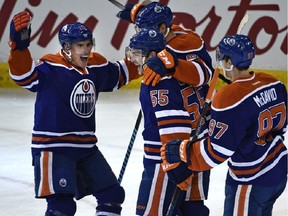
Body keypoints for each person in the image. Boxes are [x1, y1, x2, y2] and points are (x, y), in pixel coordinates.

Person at [8, 11, 143, 216]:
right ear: (66, 48)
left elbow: (123, 72)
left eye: (88, 44)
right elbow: (24, 75)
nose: (86, 50)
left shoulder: (95, 65)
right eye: (80, 45)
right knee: (62, 206)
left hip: (86, 147)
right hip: (53, 148)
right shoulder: (50, 66)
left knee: (112, 196)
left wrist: (148, 47)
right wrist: (19, 48)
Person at [161, 34, 288, 215]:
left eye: (222, 59)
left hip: (251, 178)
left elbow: (217, 152)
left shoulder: (228, 97)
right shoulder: (273, 82)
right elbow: (278, 123)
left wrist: (183, 150)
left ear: (229, 61)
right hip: (278, 171)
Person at [118, 2, 213, 214]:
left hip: (168, 151)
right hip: (196, 140)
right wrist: (138, 11)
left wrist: (174, 159)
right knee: (192, 208)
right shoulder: (160, 48)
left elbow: (204, 74)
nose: (134, 57)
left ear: (162, 29)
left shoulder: (166, 69)